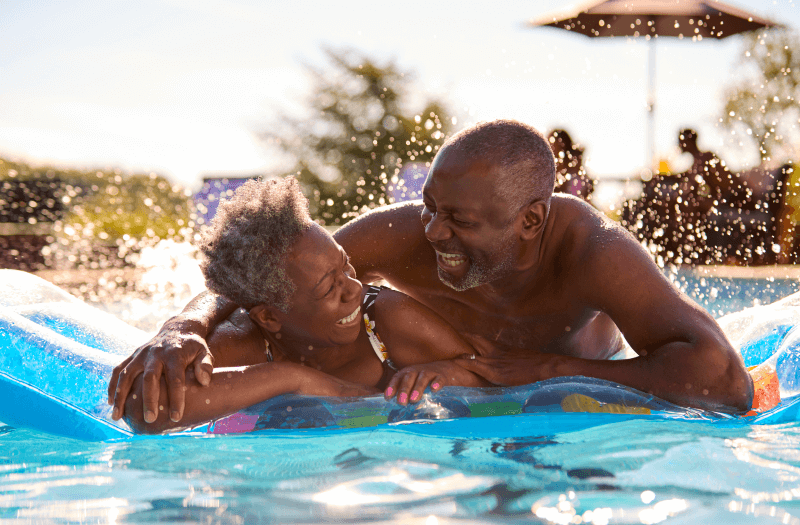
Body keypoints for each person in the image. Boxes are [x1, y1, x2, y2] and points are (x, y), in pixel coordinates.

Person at [110, 119, 753, 424]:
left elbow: (723, 380)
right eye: (430, 209)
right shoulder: (406, 236)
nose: (434, 231)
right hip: (447, 386)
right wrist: (181, 325)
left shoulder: (591, 250)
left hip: (556, 404)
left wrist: (551, 369)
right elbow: (270, 276)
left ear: (530, 221)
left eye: (460, 222)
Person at [120, 177, 487, 433]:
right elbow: (144, 409)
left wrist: (450, 374)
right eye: (330, 289)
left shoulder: (387, 323)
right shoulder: (245, 342)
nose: (355, 290)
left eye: (347, 266)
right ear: (269, 318)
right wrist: (293, 379)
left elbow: (488, 374)